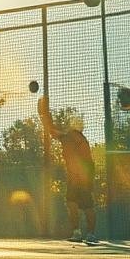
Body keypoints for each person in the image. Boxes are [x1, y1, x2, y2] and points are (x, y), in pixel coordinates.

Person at [38, 93, 98, 244]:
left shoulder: (71, 137)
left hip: (81, 176)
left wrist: (44, 114)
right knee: (74, 203)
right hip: (78, 176)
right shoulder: (77, 137)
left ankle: (89, 233)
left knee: (84, 204)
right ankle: (80, 233)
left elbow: (51, 130)